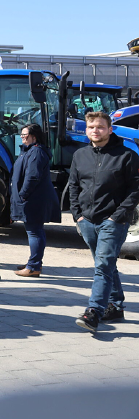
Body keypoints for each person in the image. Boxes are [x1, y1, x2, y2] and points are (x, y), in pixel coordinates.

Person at [69, 111, 139, 332]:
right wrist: (77, 215)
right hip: (87, 221)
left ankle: (94, 312)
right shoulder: (80, 155)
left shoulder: (127, 156)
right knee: (106, 265)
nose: (95, 131)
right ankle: (116, 306)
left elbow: (135, 189)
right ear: (86, 130)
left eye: (100, 127)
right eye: (91, 127)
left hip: (113, 221)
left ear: (110, 129)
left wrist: (117, 216)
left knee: (102, 266)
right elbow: (73, 186)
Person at [11, 124, 61, 278]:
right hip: (30, 198)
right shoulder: (30, 151)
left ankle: (33, 266)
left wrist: (23, 195)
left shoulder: (37, 152)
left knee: (34, 232)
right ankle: (34, 263)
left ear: (34, 136)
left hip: (33, 199)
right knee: (34, 231)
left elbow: (32, 176)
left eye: (24, 134)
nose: (22, 136)